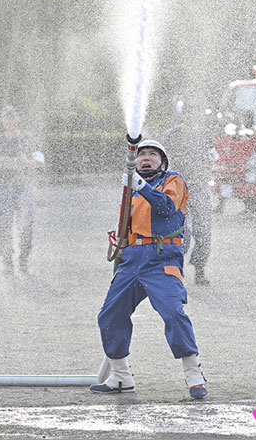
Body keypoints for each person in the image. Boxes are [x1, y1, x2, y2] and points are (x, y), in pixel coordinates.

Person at [90, 140, 208, 399]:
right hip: (132, 260)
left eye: (152, 154)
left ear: (162, 162)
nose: (145, 157)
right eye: (141, 153)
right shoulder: (130, 190)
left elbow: (166, 208)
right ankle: (121, 376)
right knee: (109, 315)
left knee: (174, 313)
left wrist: (140, 186)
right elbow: (125, 229)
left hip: (161, 259)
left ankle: (194, 374)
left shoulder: (173, 180)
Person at [0, 105, 44, 275]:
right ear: (2, 120)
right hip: (4, 189)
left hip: (23, 189)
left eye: (12, 117)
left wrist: (26, 162)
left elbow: (40, 161)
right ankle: (7, 261)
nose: (9, 121)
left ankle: (23, 259)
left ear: (18, 119)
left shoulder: (29, 139)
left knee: (26, 225)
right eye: (6, 117)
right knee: (5, 226)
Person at [162, 102, 215, 285]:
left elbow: (213, 158)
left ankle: (200, 269)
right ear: (182, 115)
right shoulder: (172, 136)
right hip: (178, 190)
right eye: (188, 113)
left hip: (200, 188)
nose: (191, 116)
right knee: (179, 231)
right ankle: (176, 269)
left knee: (203, 231)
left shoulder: (206, 135)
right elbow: (163, 162)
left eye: (195, 113)